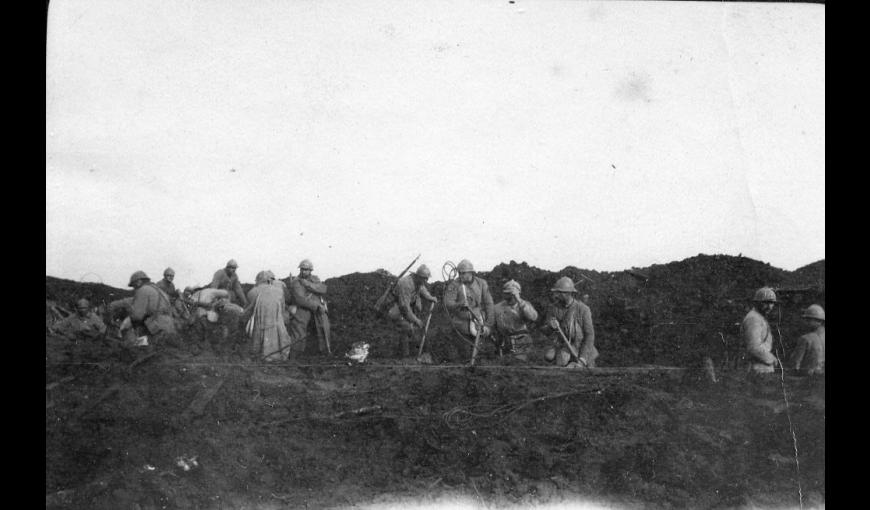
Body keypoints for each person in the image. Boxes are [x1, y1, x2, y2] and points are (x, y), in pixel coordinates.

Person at [541, 276, 597, 367]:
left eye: (560, 293)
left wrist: (582, 359)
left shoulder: (583, 309)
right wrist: (550, 326)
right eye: (557, 292)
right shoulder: (553, 309)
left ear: (568, 293)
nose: (556, 295)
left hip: (582, 351)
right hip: (563, 351)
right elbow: (545, 331)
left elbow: (589, 335)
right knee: (549, 357)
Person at [384, 264, 439, 358]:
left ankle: (413, 349)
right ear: (418, 276)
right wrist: (416, 320)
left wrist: (430, 297)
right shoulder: (405, 283)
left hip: (406, 306)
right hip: (396, 307)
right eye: (424, 279)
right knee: (406, 327)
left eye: (427, 279)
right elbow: (405, 308)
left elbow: (422, 289)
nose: (426, 281)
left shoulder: (418, 282)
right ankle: (404, 356)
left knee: (413, 326)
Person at [444, 259, 495, 349]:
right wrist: (459, 304)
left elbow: (489, 304)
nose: (461, 275)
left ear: (471, 272)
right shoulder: (454, 285)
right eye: (459, 273)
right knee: (464, 350)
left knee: (483, 349)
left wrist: (488, 324)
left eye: (463, 273)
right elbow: (448, 303)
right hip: (461, 324)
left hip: (478, 322)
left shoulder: (481, 283)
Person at [244, 270, 293, 361]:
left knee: (257, 336)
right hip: (276, 320)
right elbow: (283, 307)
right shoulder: (279, 290)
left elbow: (249, 310)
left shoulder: (252, 292)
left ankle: (258, 353)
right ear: (269, 280)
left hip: (260, 322)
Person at [287, 259, 330, 354]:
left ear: (310, 270)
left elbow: (323, 289)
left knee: (323, 326)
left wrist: (308, 285)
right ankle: (297, 353)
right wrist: (317, 306)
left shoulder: (315, 279)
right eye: (302, 269)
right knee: (299, 329)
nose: (303, 271)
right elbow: (300, 299)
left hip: (317, 308)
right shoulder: (296, 282)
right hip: (303, 308)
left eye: (306, 270)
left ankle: (323, 350)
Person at [492, 280, 538, 360]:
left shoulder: (525, 305)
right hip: (505, 342)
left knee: (519, 363)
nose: (510, 297)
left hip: (522, 342)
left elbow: (533, 317)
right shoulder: (497, 307)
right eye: (507, 294)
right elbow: (492, 325)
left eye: (512, 294)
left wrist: (519, 301)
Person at [128, 270, 177, 345]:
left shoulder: (143, 290)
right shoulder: (159, 290)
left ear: (139, 282)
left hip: (157, 329)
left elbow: (137, 316)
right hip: (170, 327)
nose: (134, 288)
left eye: (134, 285)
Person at [182, 285, 233, 354]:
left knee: (198, 334)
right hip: (208, 316)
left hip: (197, 317)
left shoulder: (192, 297)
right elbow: (225, 293)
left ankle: (198, 348)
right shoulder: (209, 291)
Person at [740, 287, 780, 374]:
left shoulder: (759, 317)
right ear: (756, 303)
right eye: (765, 303)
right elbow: (753, 347)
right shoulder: (753, 319)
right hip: (757, 368)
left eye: (772, 303)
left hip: (762, 367)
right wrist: (771, 358)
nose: (769, 306)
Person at [788, 304, 825, 376]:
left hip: (807, 379)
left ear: (819, 321)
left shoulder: (805, 339)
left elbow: (795, 364)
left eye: (808, 320)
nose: (805, 322)